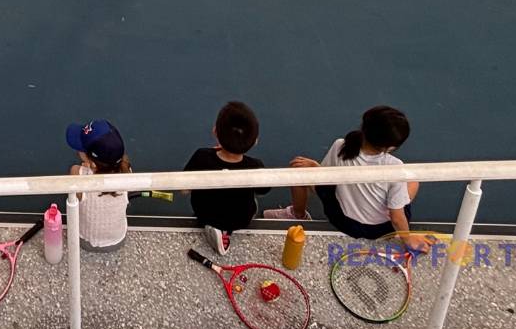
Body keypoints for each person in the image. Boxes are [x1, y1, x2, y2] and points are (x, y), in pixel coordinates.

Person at [264, 105, 431, 252]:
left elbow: (325, 177)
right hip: (382, 230)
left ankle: (298, 214)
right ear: (390, 147)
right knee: (413, 179)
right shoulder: (396, 167)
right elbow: (396, 217)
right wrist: (408, 239)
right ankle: (397, 199)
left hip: (342, 220)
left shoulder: (341, 146)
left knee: (298, 171)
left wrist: (314, 166)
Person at [184, 101, 270, 255]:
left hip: (204, 213)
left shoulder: (201, 157)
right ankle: (226, 231)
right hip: (241, 219)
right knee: (253, 200)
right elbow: (264, 190)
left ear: (215, 132)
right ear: (255, 140)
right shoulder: (255, 166)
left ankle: (215, 227)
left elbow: (184, 189)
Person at [66, 118, 132, 252]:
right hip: (118, 240)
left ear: (93, 164)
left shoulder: (76, 173)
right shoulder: (128, 173)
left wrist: (86, 169)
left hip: (85, 241)